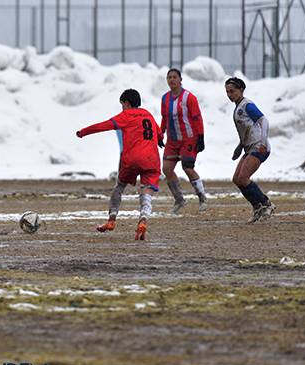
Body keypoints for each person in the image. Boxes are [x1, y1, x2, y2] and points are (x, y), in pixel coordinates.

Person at [76, 89, 161, 241]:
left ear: (126, 103)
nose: (122, 108)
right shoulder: (148, 114)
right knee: (146, 191)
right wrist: (160, 140)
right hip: (152, 159)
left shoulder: (125, 116)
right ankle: (143, 219)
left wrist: (83, 132)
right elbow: (159, 132)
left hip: (132, 158)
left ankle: (111, 220)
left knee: (119, 186)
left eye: (122, 105)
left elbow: (104, 125)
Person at [225, 77, 275, 223]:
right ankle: (257, 207)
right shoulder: (237, 107)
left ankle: (267, 204)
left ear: (241, 90)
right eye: (227, 92)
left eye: (232, 91)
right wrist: (239, 147)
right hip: (248, 147)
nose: (229, 94)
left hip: (259, 146)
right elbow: (247, 130)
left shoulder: (247, 105)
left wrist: (263, 142)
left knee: (243, 178)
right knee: (236, 179)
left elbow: (264, 121)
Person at [158, 68, 207, 214]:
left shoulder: (189, 98)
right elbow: (165, 118)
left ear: (180, 80)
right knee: (166, 169)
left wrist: (201, 136)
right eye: (169, 77)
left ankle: (202, 197)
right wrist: (161, 134)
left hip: (188, 139)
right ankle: (179, 200)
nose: (172, 80)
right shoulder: (165, 99)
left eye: (174, 77)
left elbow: (197, 117)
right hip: (172, 141)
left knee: (187, 167)